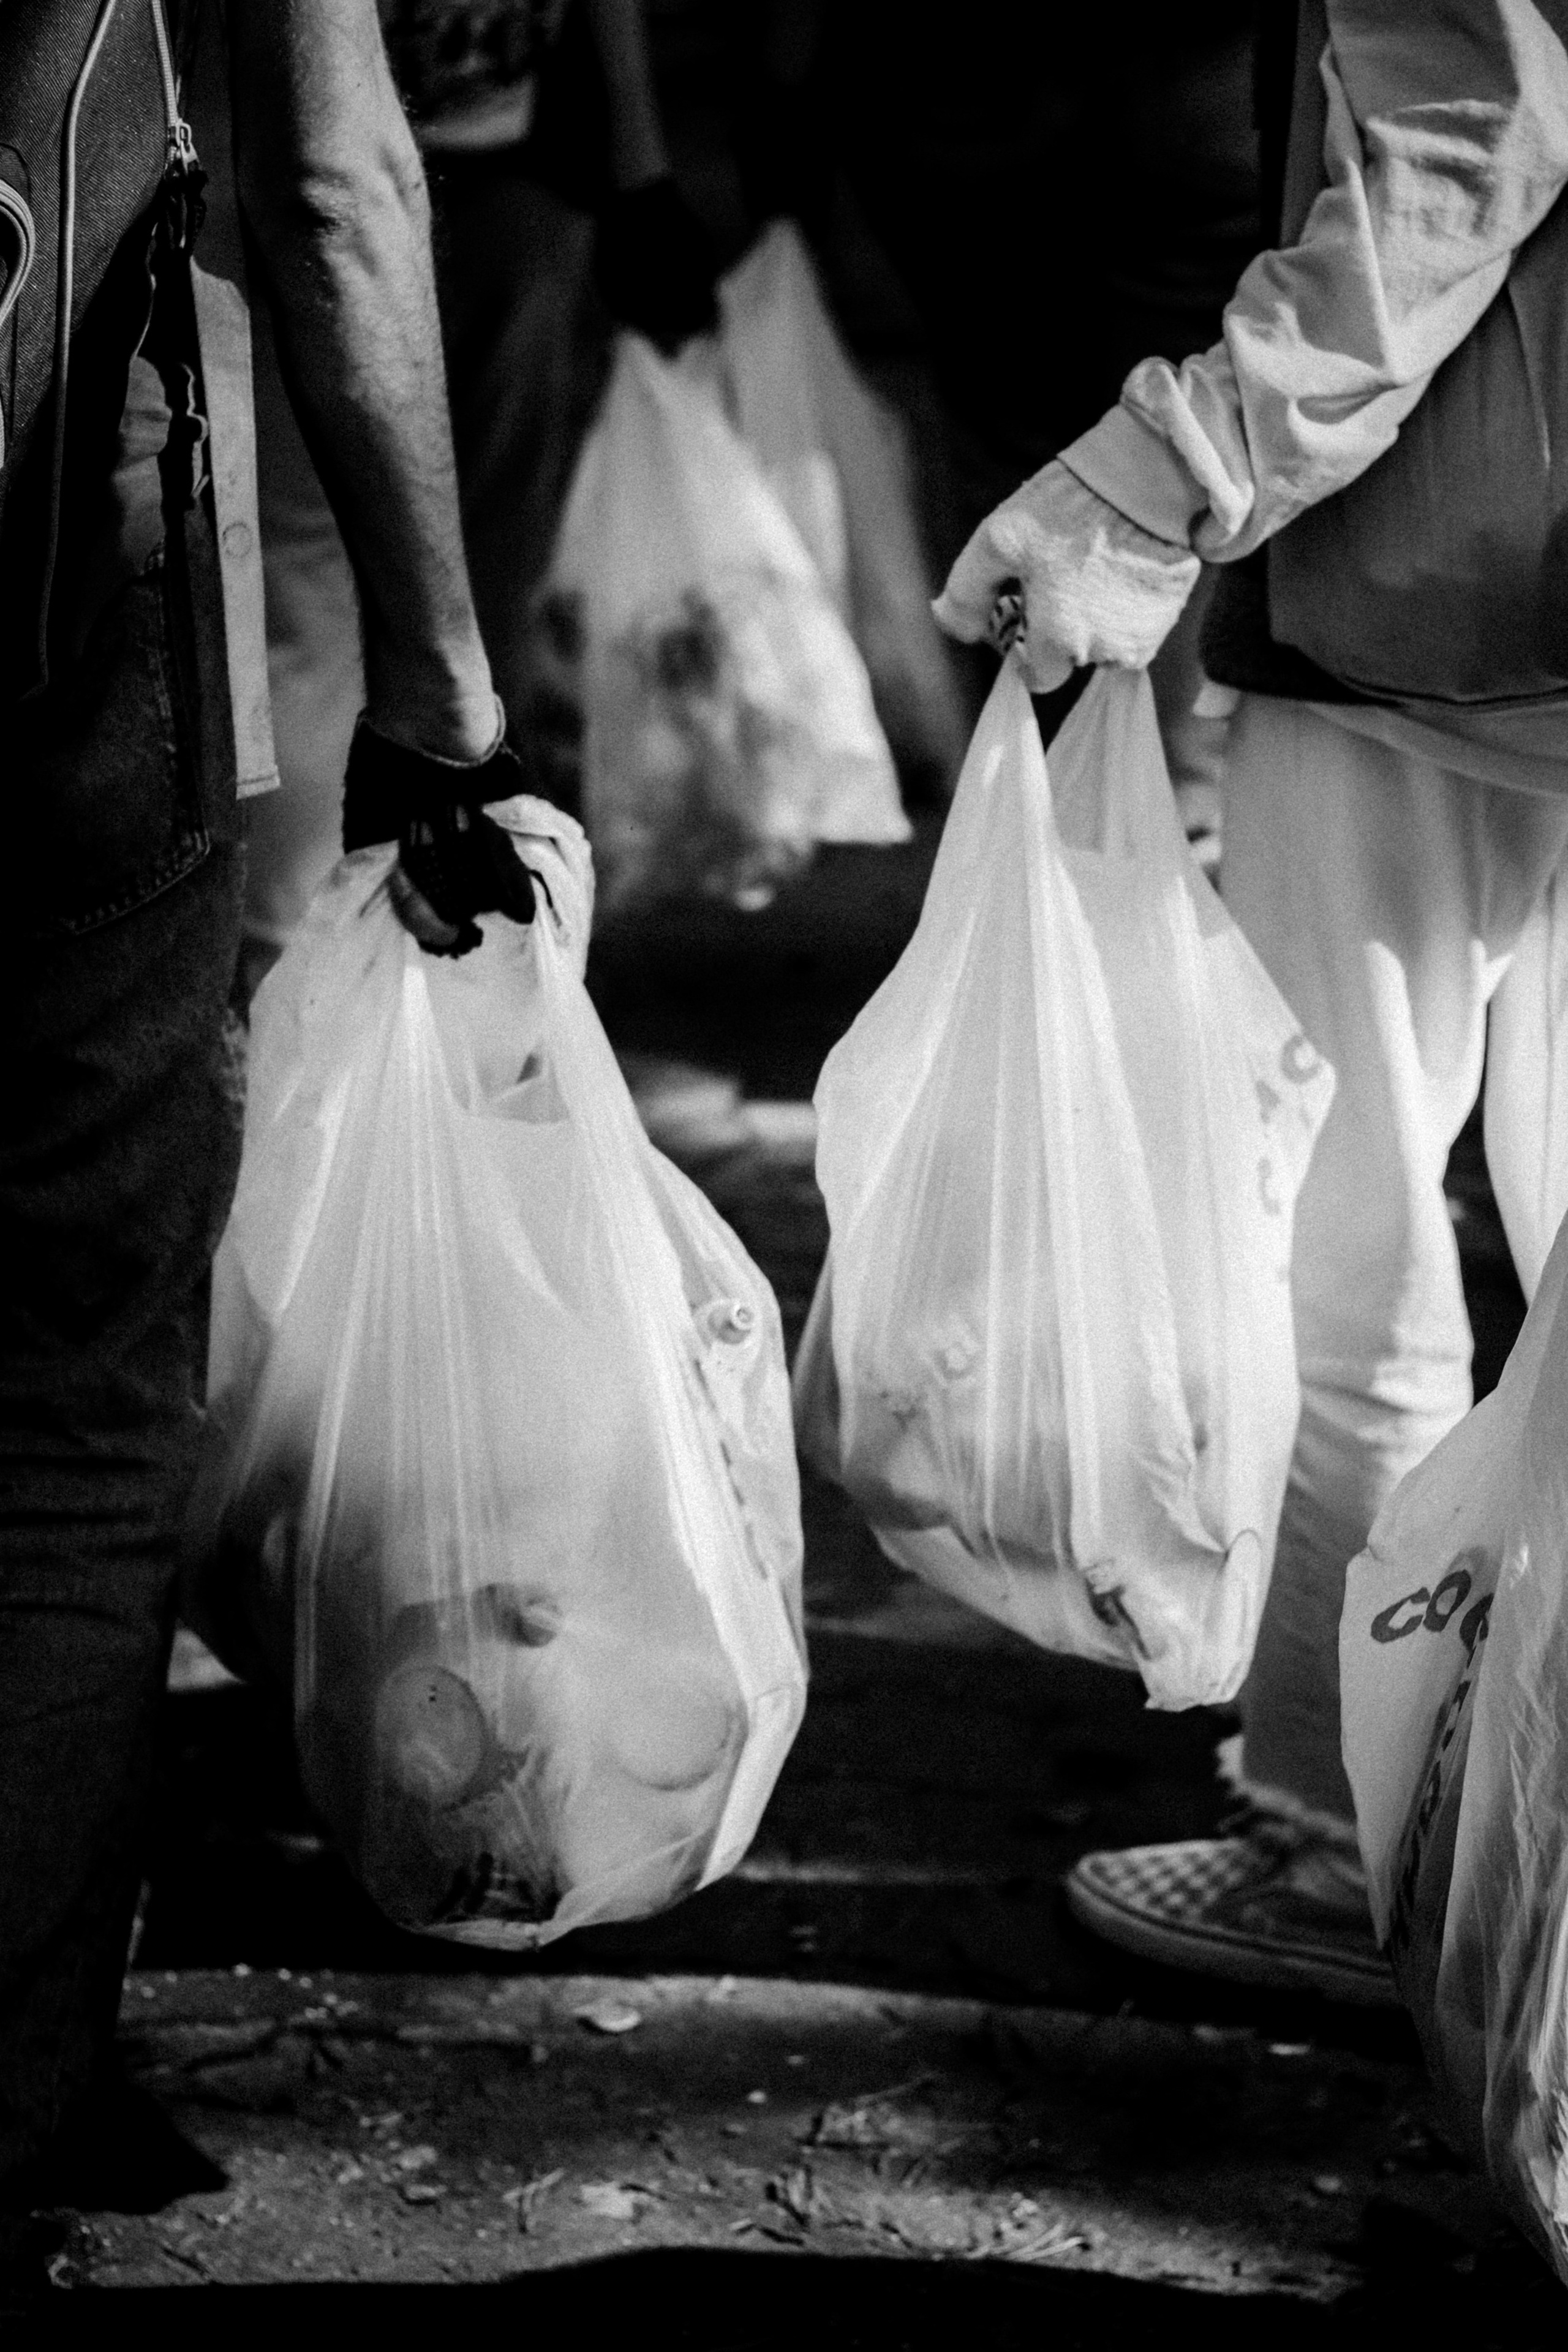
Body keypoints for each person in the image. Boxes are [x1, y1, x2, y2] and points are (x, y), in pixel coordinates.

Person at [936, 0, 1568, 2001]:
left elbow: (1460, 144)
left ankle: (1337, 1843)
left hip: (1446, 598)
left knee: (1350, 1226)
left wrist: (1158, 469)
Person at [1, 0, 535, 2263]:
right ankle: (9, 2103)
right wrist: (442, 686)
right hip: (51, 599)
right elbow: (333, 179)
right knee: (70, 1397)